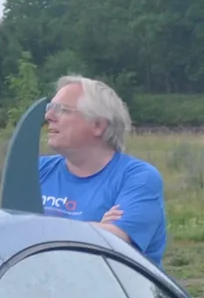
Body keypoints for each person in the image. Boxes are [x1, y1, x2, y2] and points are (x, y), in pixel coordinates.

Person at [38, 76, 169, 266]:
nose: (48, 116)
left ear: (98, 125)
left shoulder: (138, 178)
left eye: (61, 110)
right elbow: (10, 234)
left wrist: (39, 231)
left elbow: (112, 245)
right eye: (50, 108)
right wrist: (95, 228)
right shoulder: (38, 170)